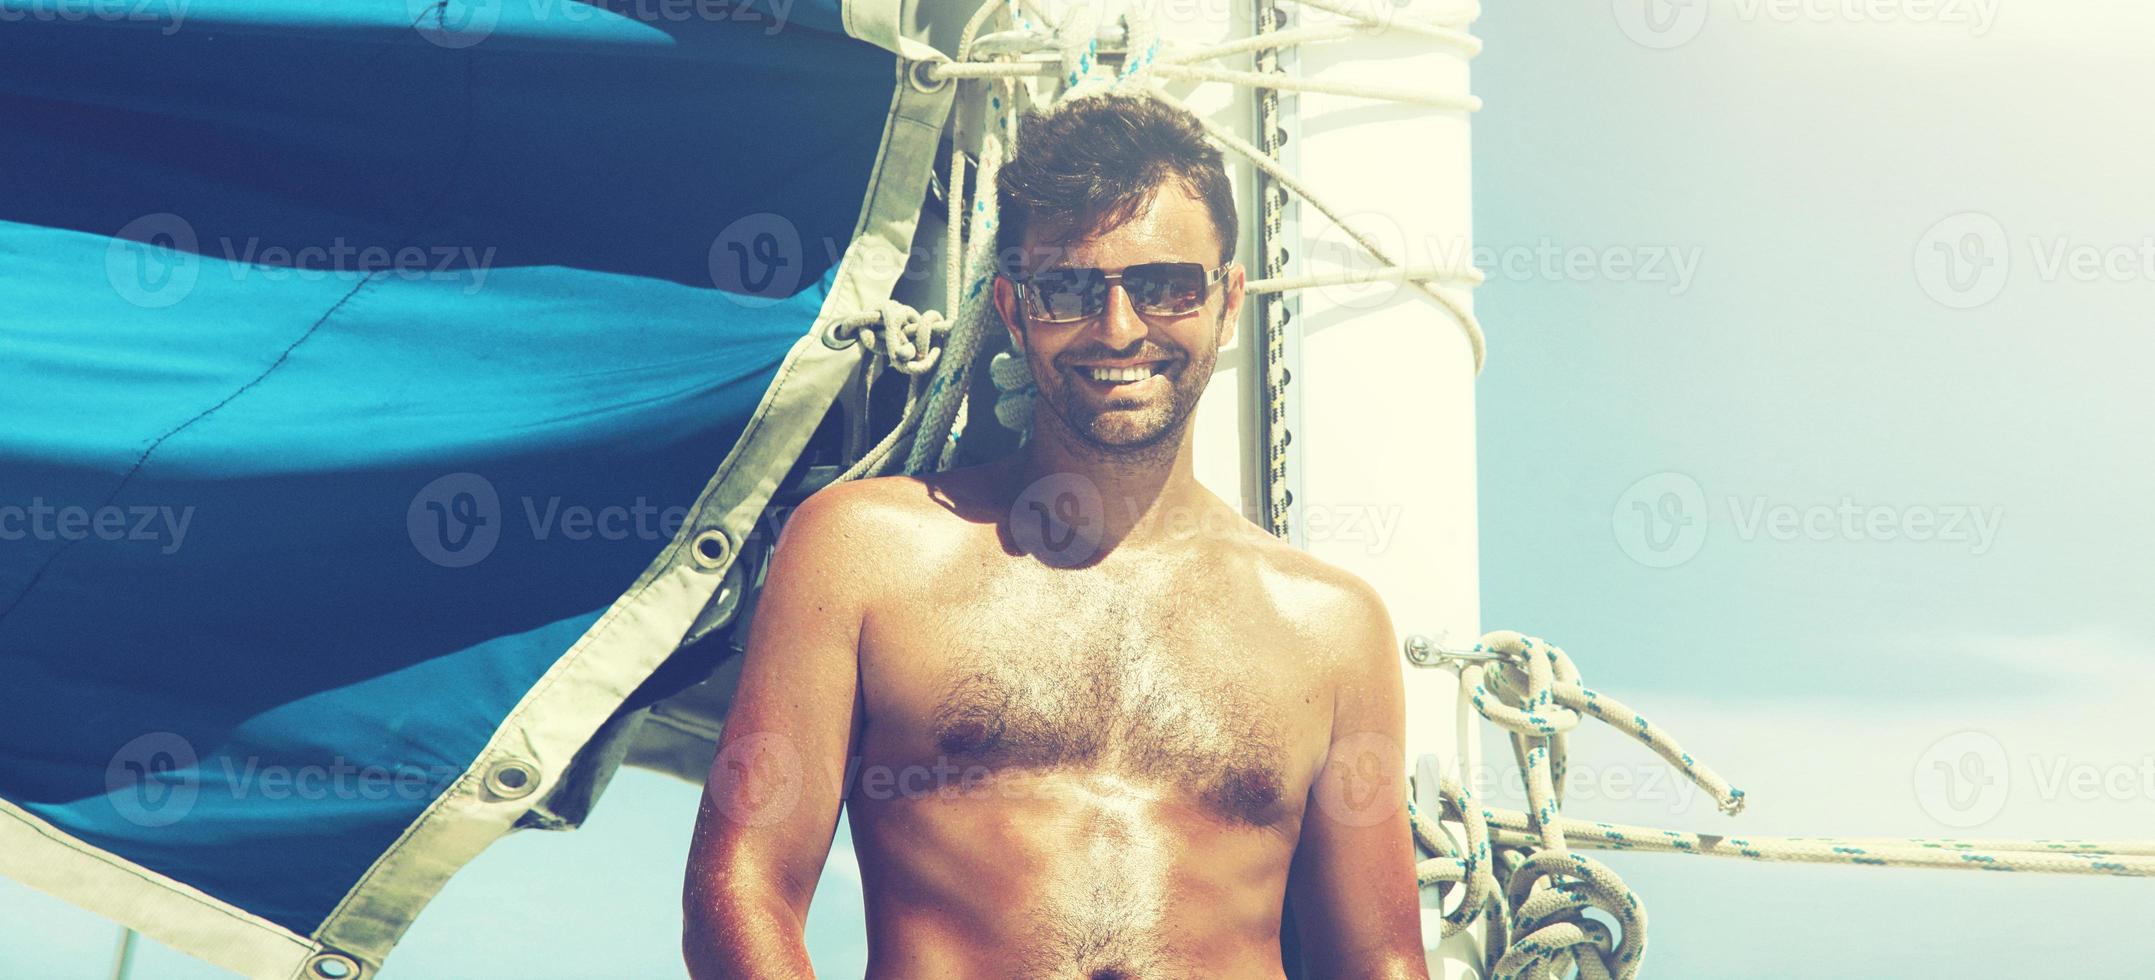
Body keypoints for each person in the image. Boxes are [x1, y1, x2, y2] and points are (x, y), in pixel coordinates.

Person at [683, 90, 1429, 980]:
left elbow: (1380, 961)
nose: (1119, 329)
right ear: (1011, 305)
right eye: (1070, 288)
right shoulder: (864, 556)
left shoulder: (1332, 628)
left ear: (1226, 301)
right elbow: (743, 887)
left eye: (1164, 286)